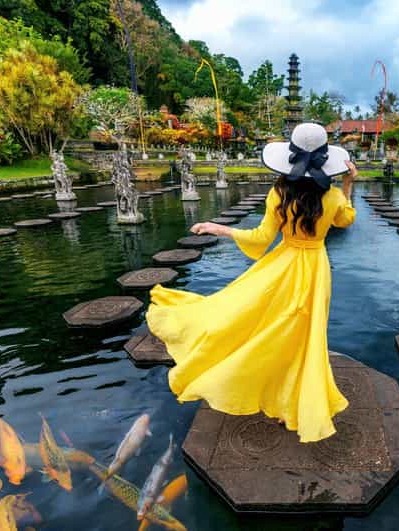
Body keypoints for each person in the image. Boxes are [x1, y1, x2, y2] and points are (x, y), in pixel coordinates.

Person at [146, 123, 357, 443]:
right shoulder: (334, 196)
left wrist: (222, 229)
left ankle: (271, 386)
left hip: (284, 265)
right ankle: (294, 397)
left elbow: (260, 239)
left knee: (265, 324)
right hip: (315, 269)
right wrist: (348, 183)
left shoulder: (279, 193)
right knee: (307, 334)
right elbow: (346, 220)